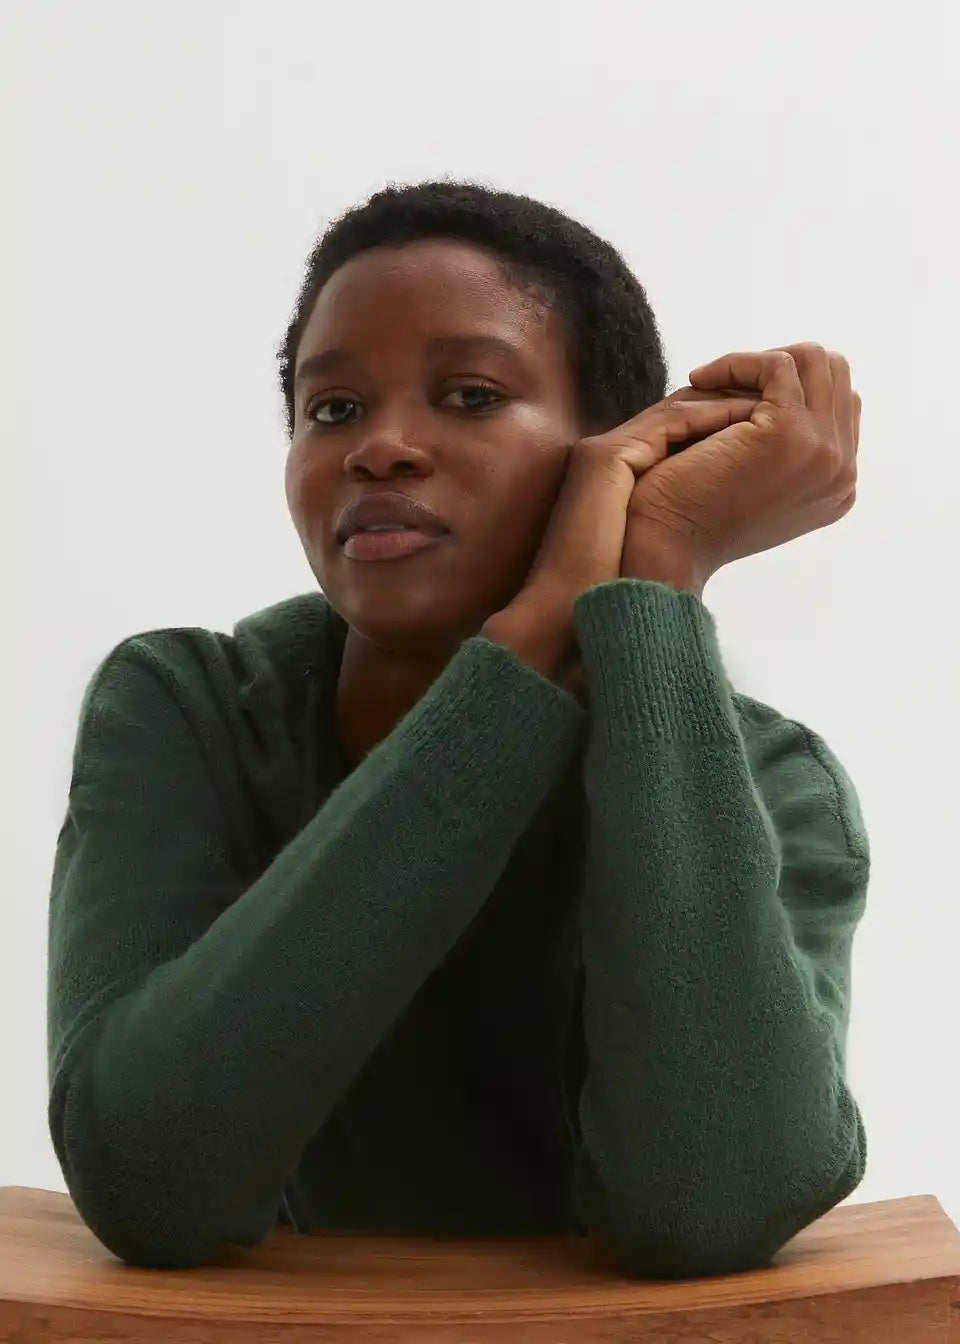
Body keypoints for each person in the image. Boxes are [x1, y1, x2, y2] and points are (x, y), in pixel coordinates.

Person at [46, 179, 868, 1279]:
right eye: (332, 409)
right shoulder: (189, 711)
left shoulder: (770, 779)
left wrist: (661, 565)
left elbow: (711, 1201)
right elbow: (148, 1176)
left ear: (614, 455)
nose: (379, 448)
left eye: (471, 395)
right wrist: (529, 649)